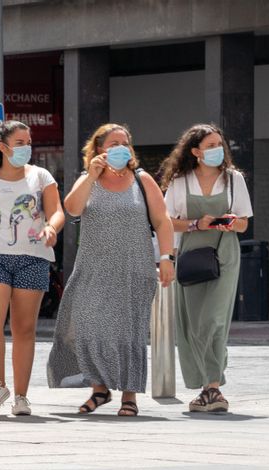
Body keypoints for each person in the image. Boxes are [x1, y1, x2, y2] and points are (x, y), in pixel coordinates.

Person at [47, 123, 175, 416]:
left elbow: (163, 220)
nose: (121, 147)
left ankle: (129, 395)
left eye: (126, 143)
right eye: (114, 143)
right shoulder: (87, 180)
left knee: (129, 333)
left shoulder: (141, 180)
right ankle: (99, 389)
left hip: (134, 267)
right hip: (94, 267)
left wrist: (166, 257)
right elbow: (72, 209)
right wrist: (91, 175)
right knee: (90, 326)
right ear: (98, 149)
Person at [0, 120, 64, 416]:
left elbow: (57, 210)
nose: (26, 147)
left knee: (23, 328)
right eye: (20, 143)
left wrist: (51, 228)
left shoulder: (41, 176)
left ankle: (21, 396)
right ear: (3, 147)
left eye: (28, 141)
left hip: (34, 256)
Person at [159, 123, 252, 413]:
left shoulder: (234, 180)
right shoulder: (180, 182)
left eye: (219, 144)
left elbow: (244, 223)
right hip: (191, 254)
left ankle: (213, 386)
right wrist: (195, 225)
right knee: (193, 324)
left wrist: (228, 222)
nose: (217, 150)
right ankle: (206, 389)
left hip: (224, 253)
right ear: (196, 151)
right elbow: (165, 221)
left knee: (214, 320)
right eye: (210, 145)